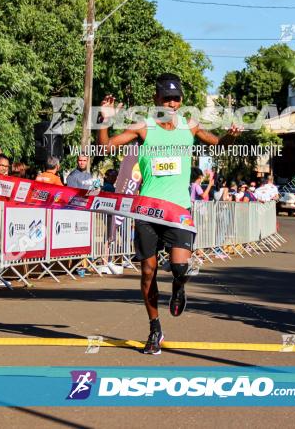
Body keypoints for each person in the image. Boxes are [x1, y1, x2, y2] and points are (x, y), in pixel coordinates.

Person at [98, 73, 239, 355]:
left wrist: (228, 136)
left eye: (176, 98)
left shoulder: (190, 126)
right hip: (148, 210)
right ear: (156, 99)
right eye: (166, 98)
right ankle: (154, 328)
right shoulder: (144, 128)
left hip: (178, 210)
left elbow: (216, 144)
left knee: (179, 268)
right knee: (148, 272)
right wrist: (104, 120)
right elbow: (104, 147)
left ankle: (178, 286)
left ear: (181, 100)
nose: (172, 103)